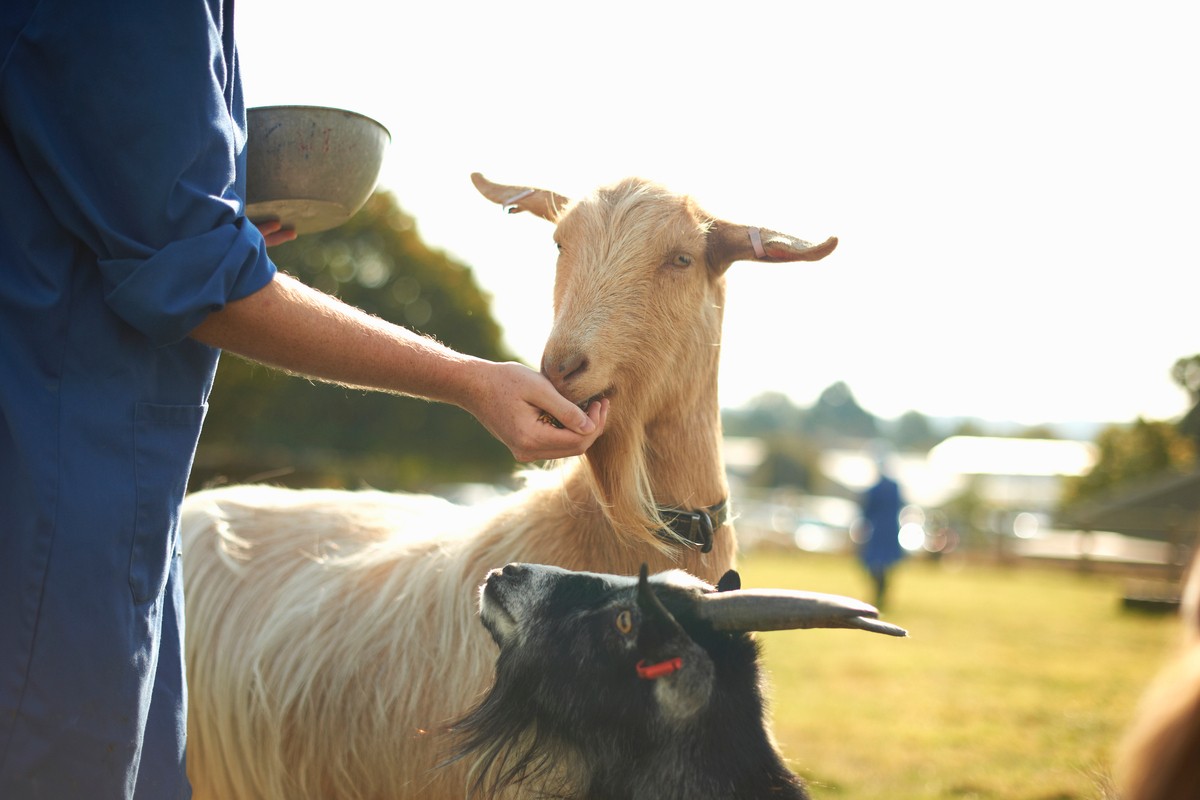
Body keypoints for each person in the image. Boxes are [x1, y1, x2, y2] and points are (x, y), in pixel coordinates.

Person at [0, 2, 606, 797]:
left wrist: (208, 210)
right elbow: (194, 278)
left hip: (99, 483)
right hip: (54, 494)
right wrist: (468, 379)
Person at [857, 451, 906, 609]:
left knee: (875, 564)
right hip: (889, 530)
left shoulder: (877, 489)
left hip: (879, 531)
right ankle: (881, 596)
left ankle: (880, 596)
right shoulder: (894, 488)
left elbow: (867, 511)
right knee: (882, 565)